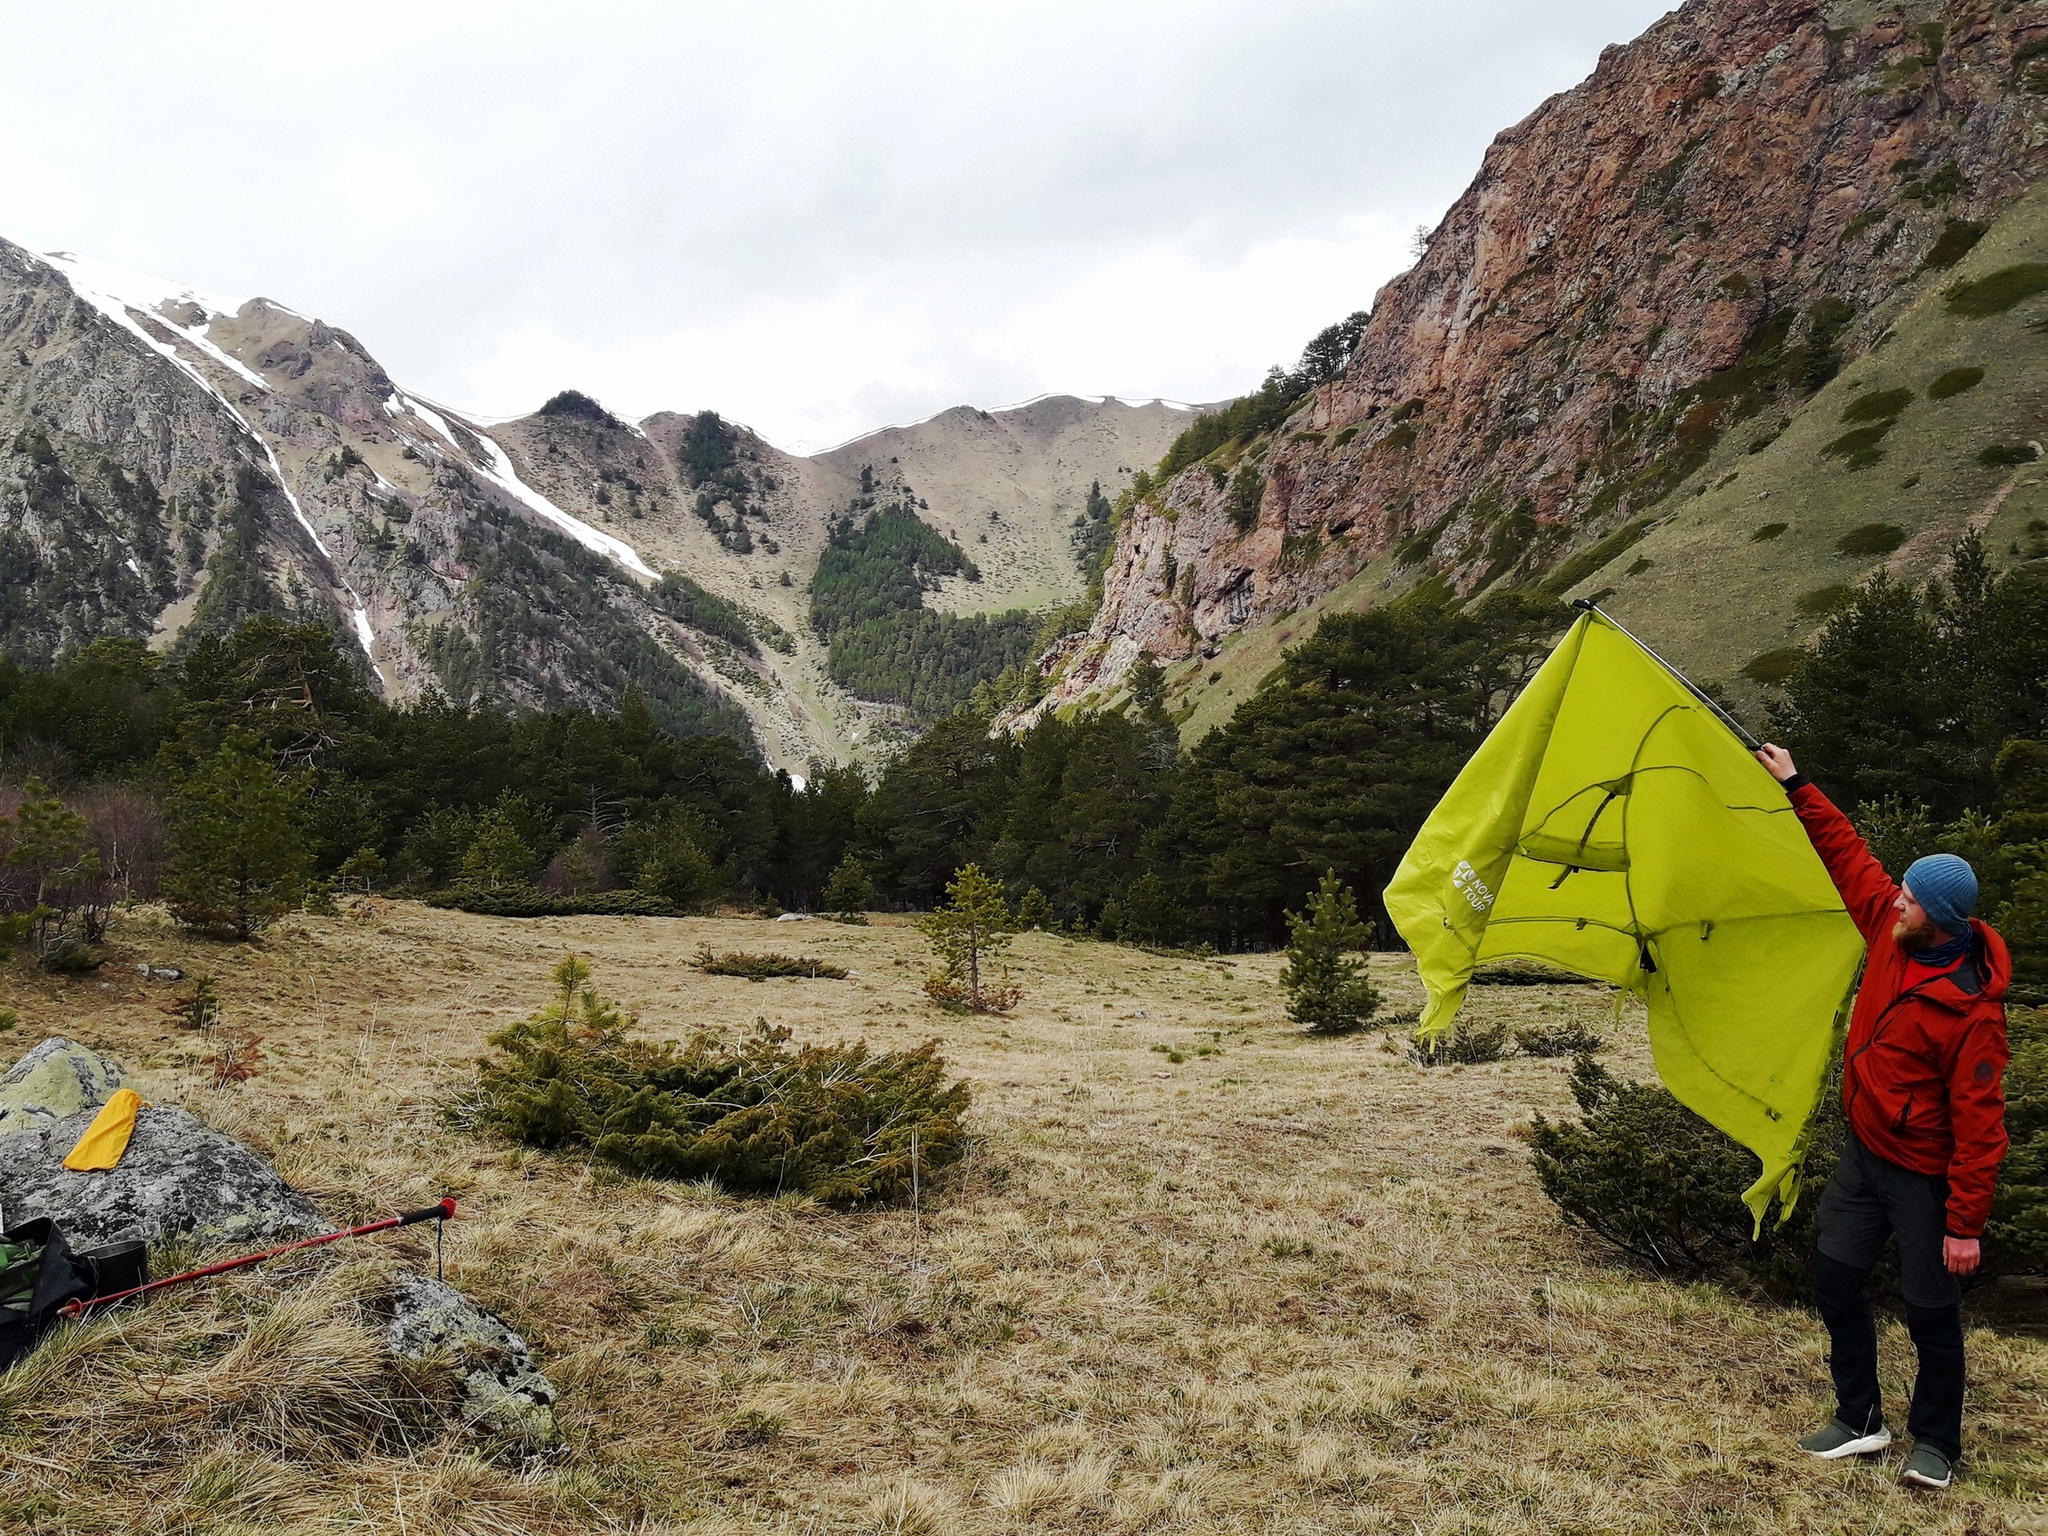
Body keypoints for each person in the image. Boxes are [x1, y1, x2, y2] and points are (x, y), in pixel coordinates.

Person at [1754, 744, 2010, 1491]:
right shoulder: (1888, 928)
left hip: (1926, 1177)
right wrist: (1797, 782)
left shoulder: (1973, 1014)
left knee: (1932, 1312)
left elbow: (1981, 1126)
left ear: (1939, 919)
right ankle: (1860, 1419)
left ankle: (1936, 1445)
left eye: (1909, 897)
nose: (1895, 898)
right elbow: (1847, 854)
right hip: (1865, 1154)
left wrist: (1965, 1222)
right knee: (1835, 1278)